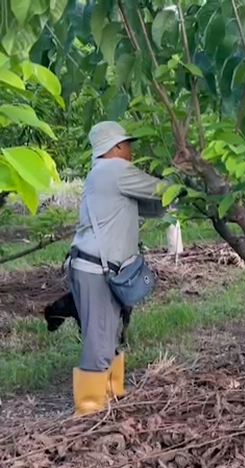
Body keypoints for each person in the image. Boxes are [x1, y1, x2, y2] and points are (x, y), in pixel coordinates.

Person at [66, 121, 166, 416]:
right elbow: (162, 190)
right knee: (99, 343)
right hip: (96, 270)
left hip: (97, 269)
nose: (132, 151)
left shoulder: (104, 176)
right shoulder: (114, 170)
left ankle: (111, 401)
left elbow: (156, 205)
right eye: (128, 144)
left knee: (107, 337)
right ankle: (90, 415)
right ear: (116, 147)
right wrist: (184, 178)